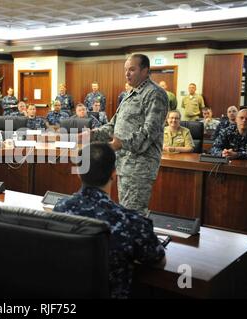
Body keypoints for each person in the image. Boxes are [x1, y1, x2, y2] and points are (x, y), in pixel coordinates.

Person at [53, 142, 165, 299]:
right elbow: (158, 261)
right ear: (114, 173)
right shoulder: (129, 220)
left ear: (79, 172)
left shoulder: (60, 209)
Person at [91, 54, 168, 214]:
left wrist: (119, 144)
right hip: (124, 163)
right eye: (126, 70)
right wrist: (91, 134)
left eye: (132, 70)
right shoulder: (130, 94)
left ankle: (137, 240)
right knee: (125, 212)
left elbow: (149, 132)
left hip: (140, 166)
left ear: (145, 71)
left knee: (133, 214)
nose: (127, 74)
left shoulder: (155, 94)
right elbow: (113, 126)